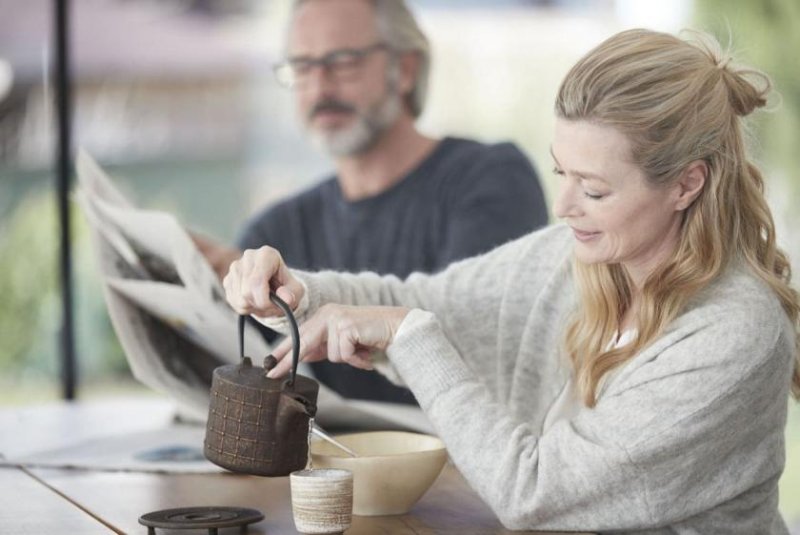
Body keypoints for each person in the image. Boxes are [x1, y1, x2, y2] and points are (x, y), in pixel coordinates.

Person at [222, 28, 800, 532]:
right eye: (560, 172)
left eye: (595, 189)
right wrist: (297, 295)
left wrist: (410, 336)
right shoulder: (573, 259)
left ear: (686, 185)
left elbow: (535, 493)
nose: (564, 205)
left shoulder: (732, 338)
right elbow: (421, 304)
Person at [195, 0, 548, 406]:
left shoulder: (491, 179)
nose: (320, 87)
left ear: (407, 69)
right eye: (303, 66)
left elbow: (479, 339)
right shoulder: (275, 231)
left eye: (343, 61)